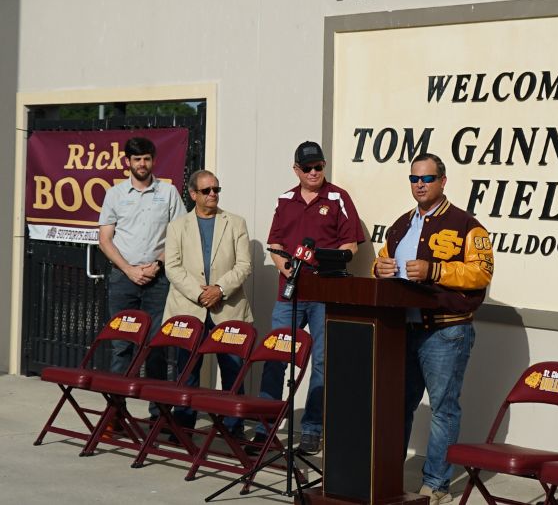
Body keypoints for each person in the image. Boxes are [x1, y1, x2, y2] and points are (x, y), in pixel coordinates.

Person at [373, 153, 494, 505]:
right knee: (398, 405)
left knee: (443, 409)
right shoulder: (400, 224)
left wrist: (435, 270)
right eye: (414, 179)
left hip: (446, 331)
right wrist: (379, 268)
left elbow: (481, 272)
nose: (420, 185)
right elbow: (382, 260)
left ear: (443, 181)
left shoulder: (466, 225)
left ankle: (437, 484)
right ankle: (387, 474)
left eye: (427, 178)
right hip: (403, 329)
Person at [253, 141, 364, 455]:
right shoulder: (285, 199)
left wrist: (330, 264)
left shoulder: (339, 197)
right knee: (276, 357)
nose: (314, 172)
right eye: (307, 168)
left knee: (323, 362)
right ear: (296, 170)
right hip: (288, 294)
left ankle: (313, 429)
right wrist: (286, 268)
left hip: (325, 294)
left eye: (318, 166)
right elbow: (274, 245)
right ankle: (264, 428)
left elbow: (351, 245)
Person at [98, 136, 185, 418]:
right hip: (123, 280)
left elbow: (179, 235)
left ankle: (159, 415)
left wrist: (157, 265)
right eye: (137, 159)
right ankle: (116, 413)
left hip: (158, 280)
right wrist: (129, 269)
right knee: (121, 345)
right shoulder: (115, 194)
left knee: (156, 346)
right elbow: (105, 239)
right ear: (128, 162)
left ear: (153, 160)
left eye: (147, 159)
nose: (142, 164)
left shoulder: (168, 192)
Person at [163, 169, 254, 433]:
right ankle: (183, 427)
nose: (213, 194)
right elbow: (172, 267)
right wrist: (200, 293)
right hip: (190, 308)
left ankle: (233, 429)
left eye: (216, 189)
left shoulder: (235, 223)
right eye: (206, 190)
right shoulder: (177, 226)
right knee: (187, 370)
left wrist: (219, 289)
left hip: (227, 308)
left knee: (233, 370)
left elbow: (244, 265)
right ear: (193, 194)